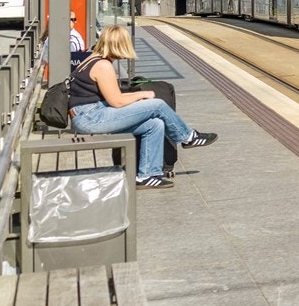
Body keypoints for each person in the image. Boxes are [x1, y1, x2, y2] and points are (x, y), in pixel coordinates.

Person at [68, 26, 217, 189]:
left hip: (91, 113)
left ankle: (147, 175)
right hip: (91, 117)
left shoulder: (92, 59)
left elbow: (113, 97)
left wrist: (141, 97)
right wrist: (142, 95)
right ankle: (188, 137)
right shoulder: (103, 66)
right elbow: (116, 101)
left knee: (155, 124)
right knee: (158, 105)